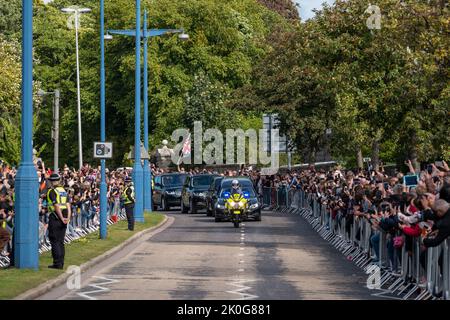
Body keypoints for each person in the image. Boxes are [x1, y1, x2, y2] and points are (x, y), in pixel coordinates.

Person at [46, 173, 71, 269]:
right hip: (64, 215)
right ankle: (61, 262)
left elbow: (56, 205)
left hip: (56, 216)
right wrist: (67, 218)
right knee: (60, 241)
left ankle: (57, 263)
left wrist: (61, 218)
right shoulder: (63, 191)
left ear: (51, 181)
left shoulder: (52, 191)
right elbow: (68, 205)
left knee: (54, 240)